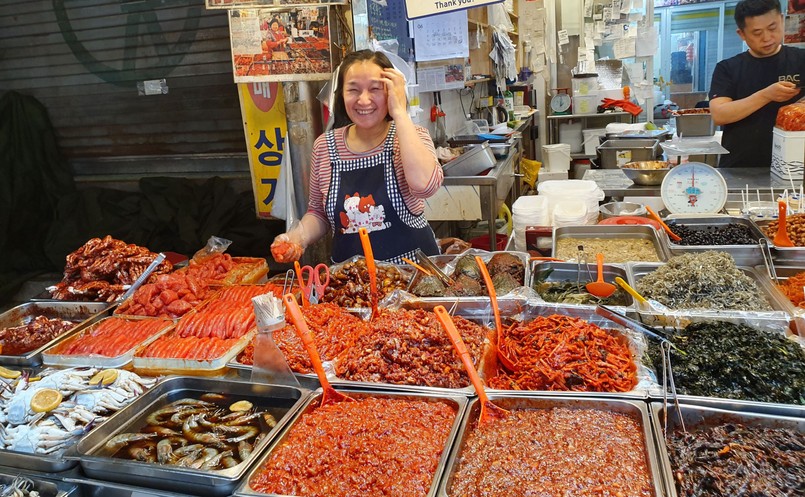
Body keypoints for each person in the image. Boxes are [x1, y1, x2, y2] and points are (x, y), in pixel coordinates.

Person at [270, 50, 443, 264]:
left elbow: (425, 186)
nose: (363, 100)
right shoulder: (324, 146)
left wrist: (400, 112)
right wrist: (297, 237)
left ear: (391, 92)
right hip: (352, 283)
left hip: (415, 277)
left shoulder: (410, 136)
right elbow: (318, 213)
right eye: (353, 89)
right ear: (341, 95)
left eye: (375, 89)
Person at [709, 0, 803, 168]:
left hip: (796, 168)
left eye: (772, 28)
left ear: (782, 20)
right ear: (742, 34)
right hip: (741, 167)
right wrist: (766, 95)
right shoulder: (728, 68)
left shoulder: (801, 60)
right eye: (757, 32)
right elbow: (720, 114)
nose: (767, 38)